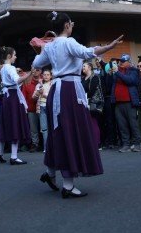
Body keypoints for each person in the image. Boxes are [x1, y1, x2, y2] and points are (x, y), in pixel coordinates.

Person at [32, 12, 122, 198]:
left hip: (57, 90)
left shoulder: (50, 46)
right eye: (70, 23)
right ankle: (67, 184)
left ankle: (51, 174)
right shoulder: (68, 42)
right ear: (66, 26)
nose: (72, 25)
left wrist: (43, 49)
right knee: (71, 133)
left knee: (57, 133)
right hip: (69, 90)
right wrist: (109, 46)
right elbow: (88, 52)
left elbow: (36, 63)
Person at [0, 46, 31, 164]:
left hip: (7, 97)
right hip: (13, 96)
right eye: (14, 55)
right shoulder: (10, 68)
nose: (16, 57)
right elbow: (17, 80)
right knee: (14, 123)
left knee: (5, 123)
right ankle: (14, 156)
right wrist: (29, 73)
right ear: (9, 56)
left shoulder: (3, 68)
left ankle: (0, 153)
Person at [110, 54, 141, 153]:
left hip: (129, 102)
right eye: (120, 61)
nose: (121, 63)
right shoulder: (117, 71)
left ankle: (137, 144)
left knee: (133, 124)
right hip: (118, 102)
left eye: (123, 61)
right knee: (122, 125)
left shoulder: (133, 71)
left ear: (128, 62)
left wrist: (117, 72)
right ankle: (126, 145)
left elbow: (130, 80)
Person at [21, 68, 42, 152]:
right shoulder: (27, 82)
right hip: (31, 109)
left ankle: (45, 144)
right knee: (33, 129)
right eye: (34, 70)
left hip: (43, 109)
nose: (35, 71)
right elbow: (23, 96)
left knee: (44, 128)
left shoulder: (45, 79)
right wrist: (25, 108)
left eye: (37, 70)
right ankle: (35, 144)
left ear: (41, 71)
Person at [35, 69, 54, 149]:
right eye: (44, 74)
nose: (46, 76)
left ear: (51, 76)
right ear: (42, 76)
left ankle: (53, 147)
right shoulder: (39, 85)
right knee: (44, 129)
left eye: (47, 74)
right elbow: (34, 97)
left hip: (51, 107)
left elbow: (54, 97)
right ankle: (46, 147)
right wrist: (38, 93)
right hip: (41, 107)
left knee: (52, 127)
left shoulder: (53, 84)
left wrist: (44, 94)